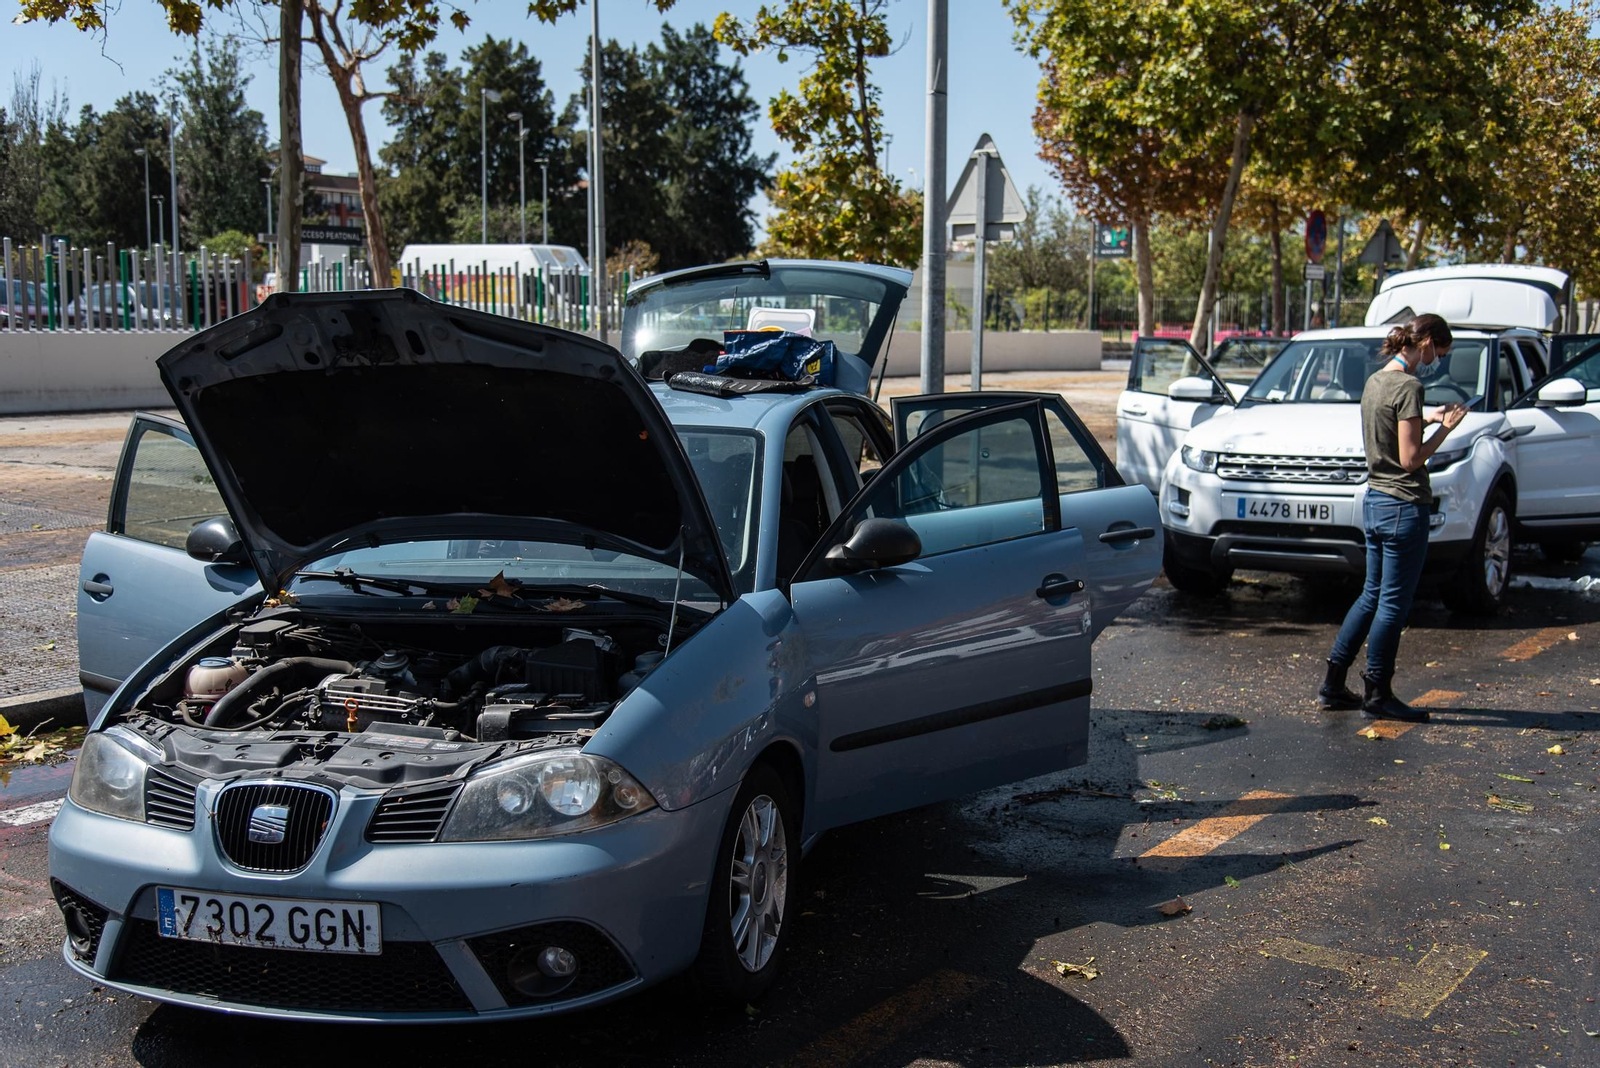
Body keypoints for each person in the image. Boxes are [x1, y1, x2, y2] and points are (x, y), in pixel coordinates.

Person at [1317, 313, 1467, 720]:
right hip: (1404, 505)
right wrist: (1447, 427)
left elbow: (1393, 423)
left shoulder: (1377, 380)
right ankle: (1378, 692)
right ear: (1428, 342)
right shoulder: (1409, 385)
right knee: (1392, 605)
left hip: (1376, 500)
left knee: (1371, 595)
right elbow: (1411, 458)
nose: (1440, 360)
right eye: (1441, 352)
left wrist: (1429, 415)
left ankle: (1333, 683)